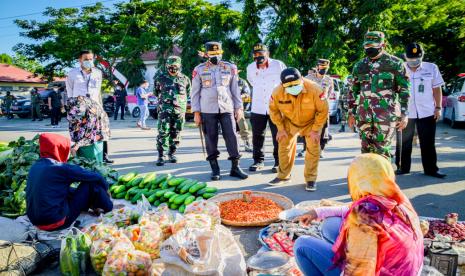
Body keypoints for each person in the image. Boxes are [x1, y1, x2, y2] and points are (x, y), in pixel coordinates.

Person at [293, 153, 423, 276]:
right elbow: (347, 209)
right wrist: (317, 212)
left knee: (302, 244)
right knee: (330, 226)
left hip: (379, 271)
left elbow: (359, 270)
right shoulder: (397, 199)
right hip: (408, 270)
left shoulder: (364, 216)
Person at [26, 133, 113, 231]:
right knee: (91, 184)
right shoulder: (59, 168)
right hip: (57, 222)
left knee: (69, 190)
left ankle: (95, 205)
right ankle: (109, 207)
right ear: (59, 149)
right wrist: (107, 190)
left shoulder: (35, 166)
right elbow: (97, 177)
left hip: (36, 221)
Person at [348, 31, 410, 158]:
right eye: (367, 47)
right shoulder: (359, 66)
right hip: (364, 116)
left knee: (381, 152)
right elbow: (353, 91)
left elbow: (405, 90)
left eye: (373, 47)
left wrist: (404, 114)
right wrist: (351, 113)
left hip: (385, 117)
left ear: (383, 45)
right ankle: (367, 178)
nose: (370, 49)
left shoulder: (395, 63)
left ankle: (383, 178)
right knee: (366, 151)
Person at [191, 41, 248, 180]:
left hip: (226, 107)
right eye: (212, 54)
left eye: (217, 53)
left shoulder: (230, 67)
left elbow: (235, 90)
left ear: (221, 53)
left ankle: (235, 167)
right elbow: (195, 92)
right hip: (207, 109)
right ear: (207, 54)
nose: (215, 56)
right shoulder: (199, 69)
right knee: (210, 138)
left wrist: (239, 108)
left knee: (232, 137)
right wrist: (196, 113)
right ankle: (215, 169)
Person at [268, 68, 328, 191]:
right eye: (289, 86)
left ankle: (311, 179)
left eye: (296, 85)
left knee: (313, 148)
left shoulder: (315, 89)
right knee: (283, 146)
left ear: (301, 79)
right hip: (290, 122)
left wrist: (316, 130)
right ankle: (283, 176)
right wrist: (280, 128)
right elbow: (273, 111)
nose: (293, 89)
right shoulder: (277, 92)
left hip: (311, 122)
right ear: (282, 85)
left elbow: (323, 111)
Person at [396, 42, 446, 178]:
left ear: (422, 56)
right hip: (405, 113)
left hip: (427, 111)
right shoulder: (399, 68)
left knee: (428, 142)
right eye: (410, 59)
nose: (413, 62)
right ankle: (402, 167)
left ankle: (431, 169)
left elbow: (437, 89)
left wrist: (438, 107)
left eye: (416, 59)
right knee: (404, 142)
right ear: (405, 57)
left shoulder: (431, 68)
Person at [247, 43, 287, 172]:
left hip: (276, 107)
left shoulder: (278, 65)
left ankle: (278, 162)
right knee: (257, 136)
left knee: (278, 135)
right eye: (256, 54)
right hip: (258, 107)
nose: (259, 56)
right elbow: (252, 82)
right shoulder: (250, 68)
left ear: (267, 53)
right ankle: (258, 161)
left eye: (261, 54)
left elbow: (285, 84)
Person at [66, 50, 110, 163]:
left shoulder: (97, 73)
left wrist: (101, 109)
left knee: (97, 135)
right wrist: (72, 110)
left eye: (91, 59)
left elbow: (98, 92)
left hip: (95, 109)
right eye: (86, 59)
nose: (89, 61)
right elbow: (70, 93)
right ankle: (80, 159)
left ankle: (100, 159)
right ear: (79, 60)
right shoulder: (72, 73)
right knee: (80, 134)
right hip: (79, 110)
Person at [154, 56, 191, 166]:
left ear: (179, 66)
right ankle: (161, 156)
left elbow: (188, 93)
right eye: (170, 66)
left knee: (176, 132)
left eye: (175, 66)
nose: (172, 68)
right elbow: (156, 92)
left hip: (179, 111)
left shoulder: (185, 79)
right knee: (163, 132)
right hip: (164, 110)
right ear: (167, 66)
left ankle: (172, 153)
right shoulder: (160, 78)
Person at [304, 59, 333, 158]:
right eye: (321, 67)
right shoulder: (308, 78)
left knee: (323, 130)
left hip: (323, 109)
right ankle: (308, 148)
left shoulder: (329, 80)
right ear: (317, 67)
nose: (323, 70)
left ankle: (321, 149)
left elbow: (329, 94)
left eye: (326, 68)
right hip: (310, 108)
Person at [237, 76, 252, 152]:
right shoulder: (223, 80)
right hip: (227, 108)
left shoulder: (242, 82)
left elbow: (247, 95)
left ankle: (247, 144)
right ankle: (233, 146)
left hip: (239, 108)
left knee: (243, 126)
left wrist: (238, 97)